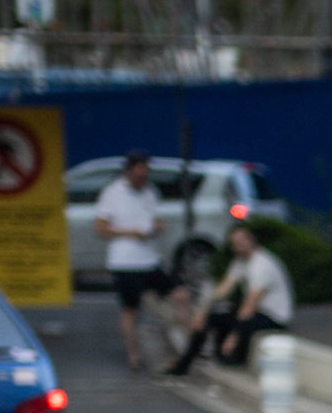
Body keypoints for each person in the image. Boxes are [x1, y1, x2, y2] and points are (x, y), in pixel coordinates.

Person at [94, 149, 193, 373]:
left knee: (180, 294)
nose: (143, 178)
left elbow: (157, 220)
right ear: (129, 172)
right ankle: (134, 356)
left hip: (149, 259)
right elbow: (100, 228)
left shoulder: (150, 192)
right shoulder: (112, 193)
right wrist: (131, 233)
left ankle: (190, 348)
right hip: (125, 262)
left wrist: (156, 228)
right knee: (131, 309)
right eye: (139, 174)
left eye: (145, 174)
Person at [161, 222, 293, 377]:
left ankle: (228, 355)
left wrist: (233, 337)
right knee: (214, 316)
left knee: (239, 317)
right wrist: (203, 309)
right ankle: (187, 361)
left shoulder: (261, 265)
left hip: (274, 316)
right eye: (235, 244)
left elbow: (250, 305)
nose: (238, 247)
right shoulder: (241, 261)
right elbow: (223, 289)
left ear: (251, 240)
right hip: (258, 310)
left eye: (242, 243)